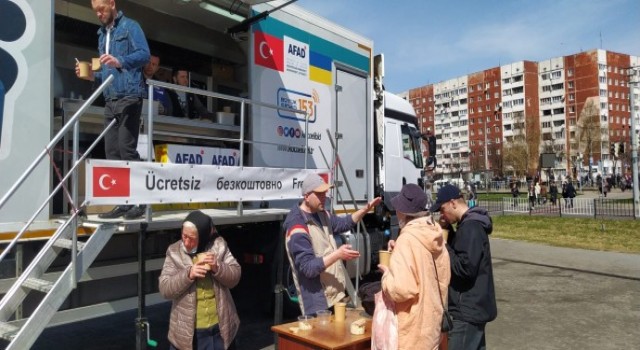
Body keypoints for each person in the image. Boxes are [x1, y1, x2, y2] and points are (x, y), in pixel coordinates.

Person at [78, 0, 150, 219]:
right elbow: (106, 74)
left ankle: (141, 202)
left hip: (130, 96)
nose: (99, 13)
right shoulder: (101, 35)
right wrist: (92, 75)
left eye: (101, 9)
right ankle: (123, 203)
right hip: (110, 97)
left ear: (111, 3)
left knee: (126, 150)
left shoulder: (130, 26)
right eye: (96, 11)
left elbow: (145, 55)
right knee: (112, 152)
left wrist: (121, 61)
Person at [284, 173, 382, 316]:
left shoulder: (322, 214)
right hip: (316, 301)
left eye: (325, 193)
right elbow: (308, 268)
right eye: (319, 194)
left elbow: (344, 223)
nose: (324, 197)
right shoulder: (297, 226)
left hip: (333, 296)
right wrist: (338, 254)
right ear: (306, 196)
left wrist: (365, 210)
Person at [379, 184, 450, 350]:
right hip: (432, 326)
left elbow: (401, 289)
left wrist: (387, 275)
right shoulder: (435, 235)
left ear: (403, 212)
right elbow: (439, 274)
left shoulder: (407, 240)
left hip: (412, 330)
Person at [159, 210, 240, 350]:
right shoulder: (174, 251)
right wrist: (188, 274)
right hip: (189, 333)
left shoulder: (219, 246)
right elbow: (165, 289)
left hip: (220, 330)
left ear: (202, 237)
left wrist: (217, 267)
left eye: (192, 238)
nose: (187, 242)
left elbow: (235, 277)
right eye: (184, 236)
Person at [430, 185, 497, 350]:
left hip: (467, 310)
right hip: (474, 307)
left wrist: (444, 245)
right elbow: (463, 252)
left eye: (442, 209)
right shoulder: (468, 225)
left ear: (453, 203)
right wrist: (449, 232)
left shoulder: (470, 227)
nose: (442, 214)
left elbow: (464, 268)